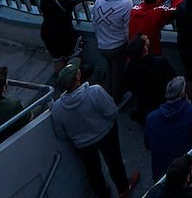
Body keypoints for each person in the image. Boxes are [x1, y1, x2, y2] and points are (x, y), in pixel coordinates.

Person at [53, 65, 136, 198]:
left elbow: (61, 134)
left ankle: (103, 193)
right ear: (78, 76)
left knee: (92, 171)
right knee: (115, 162)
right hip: (106, 133)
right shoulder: (95, 92)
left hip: (83, 145)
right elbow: (112, 113)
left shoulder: (57, 108)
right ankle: (123, 189)